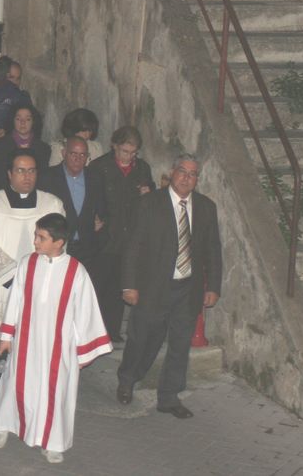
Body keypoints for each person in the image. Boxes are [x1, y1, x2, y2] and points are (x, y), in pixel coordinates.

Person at [0, 213, 113, 463]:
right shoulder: (27, 263)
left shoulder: (76, 271)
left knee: (56, 391)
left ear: (59, 242)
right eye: (36, 235)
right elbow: (16, 299)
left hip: (59, 345)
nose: (35, 241)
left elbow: (86, 311)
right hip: (26, 341)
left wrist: (82, 350)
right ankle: (4, 424)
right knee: (15, 381)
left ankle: (54, 441)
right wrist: (6, 335)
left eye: (41, 237)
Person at [116, 154, 223, 419]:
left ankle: (169, 396)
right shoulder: (149, 204)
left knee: (180, 344)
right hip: (152, 287)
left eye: (193, 174)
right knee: (142, 338)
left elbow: (213, 249)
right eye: (182, 171)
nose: (187, 177)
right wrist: (129, 285)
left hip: (188, 288)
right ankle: (128, 380)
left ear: (197, 179)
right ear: (172, 172)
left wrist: (213, 286)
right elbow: (133, 246)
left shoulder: (206, 207)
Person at [0, 151, 65, 354]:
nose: (27, 176)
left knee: (34, 350)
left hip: (41, 288)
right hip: (3, 286)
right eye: (21, 171)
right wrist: (18, 281)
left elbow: (58, 246)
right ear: (9, 174)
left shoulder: (53, 204)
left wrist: (37, 280)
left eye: (32, 171)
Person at [89, 126, 154, 343]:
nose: (128, 157)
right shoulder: (100, 167)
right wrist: (94, 220)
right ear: (114, 146)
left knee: (120, 286)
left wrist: (148, 193)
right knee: (98, 286)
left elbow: (151, 199)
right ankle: (92, 334)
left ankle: (112, 332)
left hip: (131, 237)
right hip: (106, 236)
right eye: (124, 151)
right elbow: (91, 198)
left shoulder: (142, 168)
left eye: (133, 153)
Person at [37, 136, 107, 281]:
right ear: (64, 153)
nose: (77, 159)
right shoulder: (47, 177)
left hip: (88, 249)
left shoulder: (95, 178)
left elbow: (102, 208)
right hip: (57, 246)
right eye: (73, 154)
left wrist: (100, 222)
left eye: (82, 155)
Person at [0, 104, 51, 193]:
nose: (23, 123)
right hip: (4, 195)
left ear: (33, 122)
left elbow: (43, 179)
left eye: (28, 119)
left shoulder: (43, 149)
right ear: (12, 120)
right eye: (18, 119)